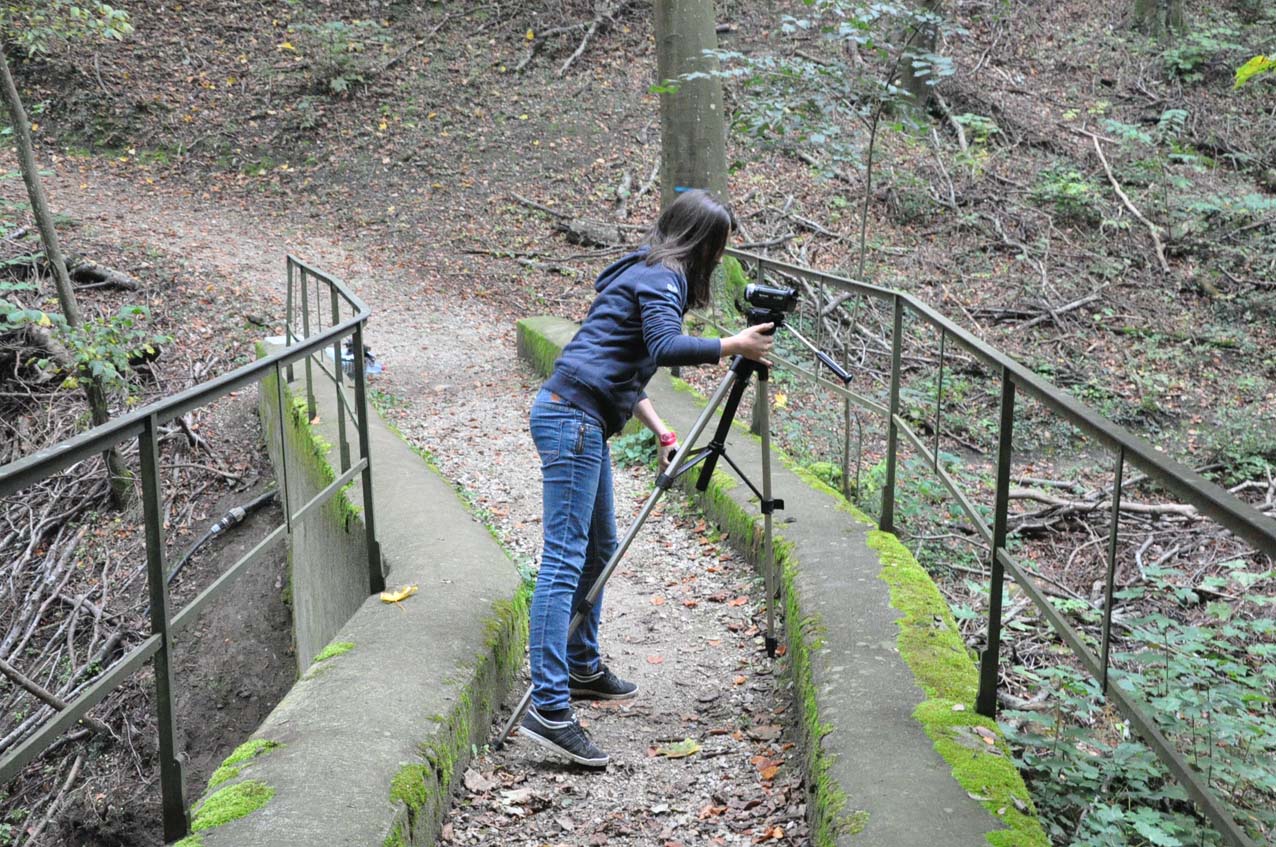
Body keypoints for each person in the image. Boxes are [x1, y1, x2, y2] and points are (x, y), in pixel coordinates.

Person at [519, 190, 775, 767]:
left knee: (599, 548)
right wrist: (733, 345)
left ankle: (580, 666)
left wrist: (660, 429)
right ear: (703, 242)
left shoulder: (641, 269)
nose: (720, 257)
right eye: (719, 245)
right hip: (572, 420)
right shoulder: (664, 278)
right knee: (564, 559)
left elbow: (616, 363)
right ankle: (550, 708)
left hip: (576, 414)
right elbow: (664, 347)